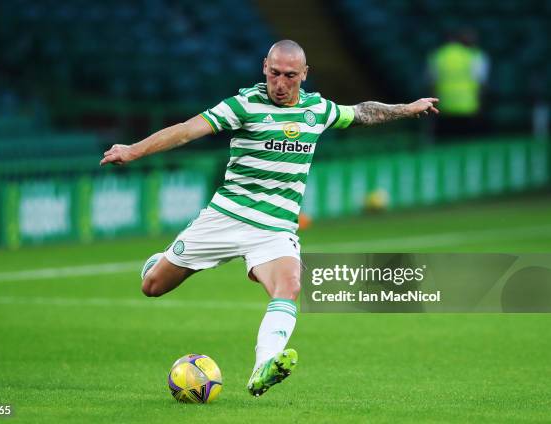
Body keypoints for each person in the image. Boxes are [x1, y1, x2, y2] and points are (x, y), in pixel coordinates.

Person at [100, 40, 439, 397]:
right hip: (226, 216)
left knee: (289, 285)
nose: (280, 83)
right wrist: (132, 150)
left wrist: (408, 108)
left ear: (304, 75)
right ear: (265, 67)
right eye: (274, 73)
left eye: (290, 76)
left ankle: (264, 366)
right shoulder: (243, 105)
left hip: (275, 228)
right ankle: (160, 261)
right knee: (153, 286)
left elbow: (362, 112)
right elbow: (186, 130)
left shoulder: (316, 110)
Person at [428, 29, 489, 139]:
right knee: (466, 145)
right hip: (469, 107)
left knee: (449, 144)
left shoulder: (437, 56)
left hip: (444, 107)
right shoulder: (472, 55)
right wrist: (482, 106)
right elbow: (481, 83)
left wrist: (432, 108)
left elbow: (432, 84)